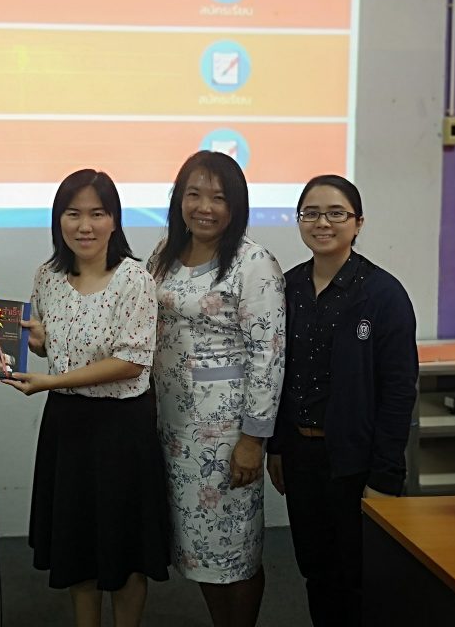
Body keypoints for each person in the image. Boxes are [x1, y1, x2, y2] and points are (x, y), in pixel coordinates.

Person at [2, 169, 169, 627]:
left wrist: (50, 382)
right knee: (77, 546)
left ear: (114, 220)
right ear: (59, 220)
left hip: (122, 428)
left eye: (98, 213)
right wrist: (37, 342)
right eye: (73, 214)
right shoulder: (49, 275)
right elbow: (51, 344)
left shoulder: (135, 278)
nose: (85, 225)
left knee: (126, 549)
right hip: (68, 426)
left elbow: (131, 362)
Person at [266, 174, 418, 627]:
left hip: (357, 461)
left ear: (358, 223)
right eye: (311, 213)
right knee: (315, 571)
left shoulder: (383, 294)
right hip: (301, 455)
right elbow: (277, 374)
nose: (322, 223)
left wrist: (385, 473)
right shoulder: (287, 288)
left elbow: (398, 390)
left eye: (336, 213)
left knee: (359, 577)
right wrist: (276, 447)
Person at [148, 151, 286, 627]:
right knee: (198, 548)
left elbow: (268, 355)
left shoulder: (254, 262)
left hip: (226, 437)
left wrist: (253, 439)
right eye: (194, 194)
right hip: (173, 428)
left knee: (234, 550)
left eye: (218, 197)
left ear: (236, 206)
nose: (204, 207)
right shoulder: (164, 255)